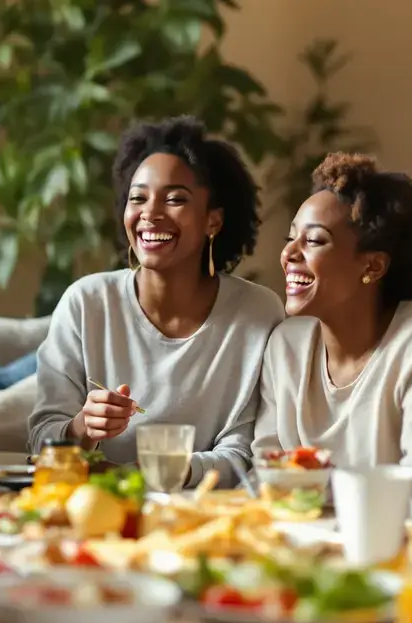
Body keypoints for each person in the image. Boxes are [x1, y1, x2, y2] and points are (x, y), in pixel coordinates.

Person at [28, 116, 284, 489]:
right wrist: (82, 427)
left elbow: (245, 453)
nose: (150, 213)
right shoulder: (86, 303)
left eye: (175, 198)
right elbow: (40, 441)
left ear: (213, 221)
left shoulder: (258, 314)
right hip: (94, 510)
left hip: (201, 514)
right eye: (138, 198)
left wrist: (145, 472)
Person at [252, 153, 412, 468]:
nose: (289, 253)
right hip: (300, 518)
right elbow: (265, 474)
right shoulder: (287, 346)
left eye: (314, 241)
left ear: (373, 265)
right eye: (291, 238)